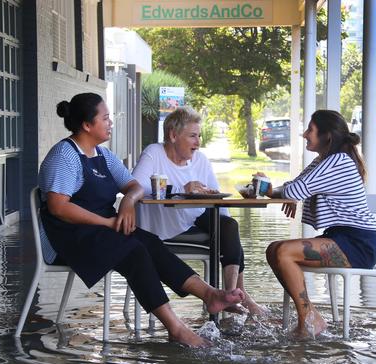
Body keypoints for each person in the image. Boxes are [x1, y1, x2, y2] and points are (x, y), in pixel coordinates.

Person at [38, 93, 245, 347]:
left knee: (150, 242)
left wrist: (127, 200)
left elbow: (134, 185)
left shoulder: (103, 156)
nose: (111, 122)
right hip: (72, 237)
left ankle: (210, 294)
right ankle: (176, 327)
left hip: (104, 230)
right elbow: (58, 207)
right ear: (87, 125)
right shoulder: (65, 155)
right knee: (135, 250)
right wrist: (106, 222)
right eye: (105, 118)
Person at [133, 107, 263, 315]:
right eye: (192, 136)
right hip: (160, 228)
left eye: (199, 136)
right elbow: (136, 186)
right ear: (173, 136)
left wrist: (225, 228)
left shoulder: (200, 159)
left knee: (229, 226)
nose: (198, 142)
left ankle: (231, 294)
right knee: (227, 229)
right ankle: (239, 296)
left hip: (191, 217)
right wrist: (180, 190)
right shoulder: (154, 153)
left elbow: (216, 197)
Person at [262, 109, 376, 337]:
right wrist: (265, 188)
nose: (305, 134)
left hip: (358, 244)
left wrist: (288, 193)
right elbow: (293, 186)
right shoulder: (323, 160)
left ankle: (309, 319)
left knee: (284, 253)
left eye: (310, 129)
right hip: (338, 238)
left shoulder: (338, 161)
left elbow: (295, 190)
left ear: (327, 136)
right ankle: (311, 316)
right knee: (273, 249)